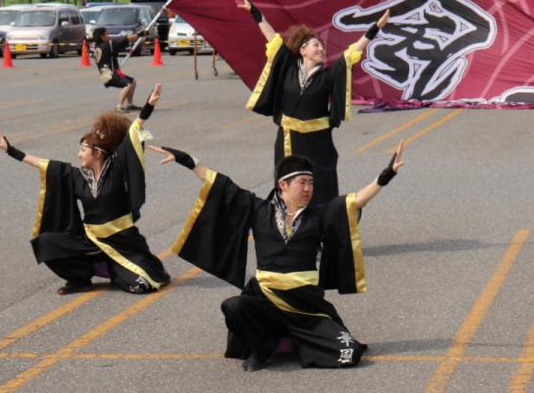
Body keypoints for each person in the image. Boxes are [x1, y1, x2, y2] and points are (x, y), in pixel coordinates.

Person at [153, 141, 406, 372]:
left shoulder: (319, 215)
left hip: (305, 307)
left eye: (311, 183)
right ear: (283, 185)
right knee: (234, 306)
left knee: (348, 353)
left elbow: (354, 202)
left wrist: (385, 176)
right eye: (302, 183)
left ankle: (292, 340)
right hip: (265, 298)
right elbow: (221, 184)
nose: (308, 188)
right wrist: (189, 161)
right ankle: (262, 348)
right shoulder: (259, 209)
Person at [0, 85, 170, 295]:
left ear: (97, 153)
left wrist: (146, 109)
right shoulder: (77, 176)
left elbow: (132, 135)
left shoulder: (116, 170)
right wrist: (11, 151)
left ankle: (116, 269)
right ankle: (79, 279)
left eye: (83, 150)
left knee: (141, 285)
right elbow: (45, 165)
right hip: (91, 240)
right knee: (46, 243)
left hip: (121, 240)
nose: (78, 154)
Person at [236, 0, 388, 201]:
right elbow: (273, 40)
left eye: (322, 47)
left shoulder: (327, 76)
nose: (321, 48)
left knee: (319, 184)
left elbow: (350, 55)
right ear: (303, 50)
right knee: (288, 181)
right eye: (316, 45)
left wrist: (375, 28)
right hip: (289, 138)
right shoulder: (288, 67)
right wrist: (255, 12)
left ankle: (322, 224)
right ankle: (287, 223)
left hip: (318, 141)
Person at [91, 26, 144, 112]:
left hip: (106, 74)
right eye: (106, 34)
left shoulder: (97, 47)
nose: (109, 36)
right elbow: (127, 39)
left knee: (132, 81)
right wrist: (140, 34)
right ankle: (119, 106)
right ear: (102, 36)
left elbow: (112, 52)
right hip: (110, 74)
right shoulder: (108, 45)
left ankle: (129, 104)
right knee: (128, 84)